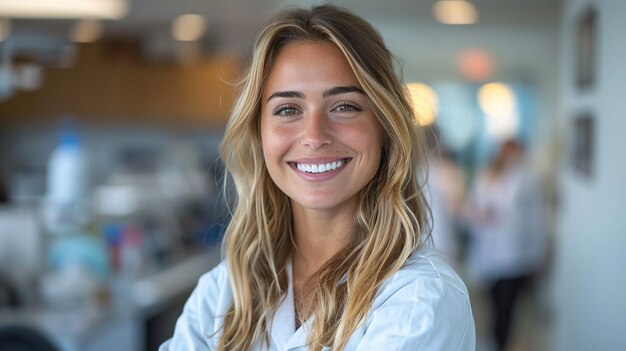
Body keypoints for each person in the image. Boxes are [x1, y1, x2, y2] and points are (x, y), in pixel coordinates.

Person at [161, 5, 475, 351]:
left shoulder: (419, 298)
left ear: (385, 126)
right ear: (259, 133)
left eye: (344, 106)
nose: (314, 135)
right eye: (287, 110)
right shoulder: (222, 294)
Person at [463, 139, 547, 351]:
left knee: (506, 306)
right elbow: (473, 208)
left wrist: (538, 254)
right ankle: (493, 340)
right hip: (488, 253)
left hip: (515, 256)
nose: (510, 156)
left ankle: (501, 343)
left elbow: (536, 220)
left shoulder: (528, 179)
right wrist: (480, 216)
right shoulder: (487, 174)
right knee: (490, 304)